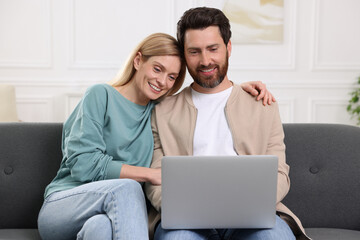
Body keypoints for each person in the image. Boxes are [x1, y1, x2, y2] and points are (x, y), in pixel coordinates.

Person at [37, 32, 273, 240]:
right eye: (157, 69)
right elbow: (83, 164)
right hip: (65, 206)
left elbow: (201, 99)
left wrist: (235, 90)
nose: (162, 81)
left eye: (172, 77)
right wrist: (150, 174)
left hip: (106, 216)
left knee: (100, 229)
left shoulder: (158, 110)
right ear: (138, 60)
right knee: (127, 188)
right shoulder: (100, 95)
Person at [145, 7, 310, 240]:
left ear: (228, 48)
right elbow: (155, 178)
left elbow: (279, 173)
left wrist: (246, 205)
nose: (205, 60)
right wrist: (183, 208)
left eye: (213, 49)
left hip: (252, 218)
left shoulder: (262, 104)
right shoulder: (162, 112)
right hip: (186, 221)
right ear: (184, 55)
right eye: (194, 51)